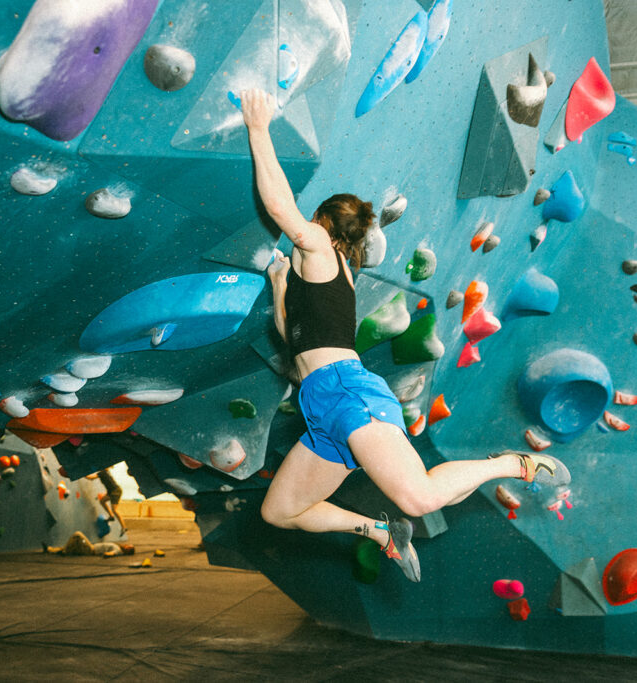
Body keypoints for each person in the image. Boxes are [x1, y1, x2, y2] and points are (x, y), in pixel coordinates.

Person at [239, 89, 571, 582]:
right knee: (281, 511)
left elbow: (280, 208)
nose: (303, 230)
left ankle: (513, 464)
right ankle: (380, 533)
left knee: (419, 495)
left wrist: (258, 129)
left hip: (349, 396)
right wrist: (280, 284)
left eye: (312, 225)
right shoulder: (324, 274)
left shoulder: (323, 252)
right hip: (323, 406)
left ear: (324, 226)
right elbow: (295, 339)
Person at [87, 468, 126, 533]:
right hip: (111, 492)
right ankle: (111, 516)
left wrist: (82, 475)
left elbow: (91, 478)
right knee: (102, 501)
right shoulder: (105, 472)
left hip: (115, 492)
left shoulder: (102, 472)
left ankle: (124, 527)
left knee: (115, 510)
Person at [44, 531, 135, 558]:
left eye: (129, 548)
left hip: (90, 549)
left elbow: (111, 553)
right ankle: (50, 549)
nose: (127, 546)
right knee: (72, 545)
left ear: (127, 552)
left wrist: (107, 554)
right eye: (129, 545)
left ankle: (64, 551)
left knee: (78, 535)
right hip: (89, 548)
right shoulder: (119, 548)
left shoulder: (118, 551)